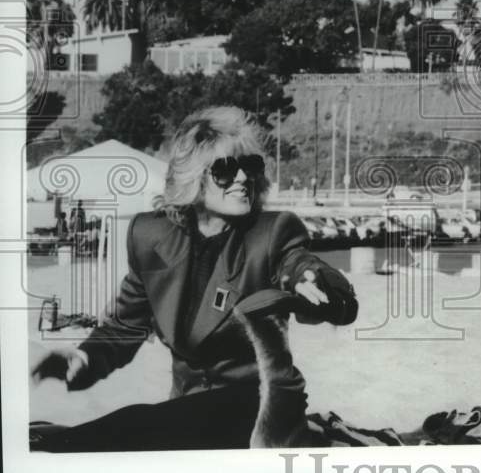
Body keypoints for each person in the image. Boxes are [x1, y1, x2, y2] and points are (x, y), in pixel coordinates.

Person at [30, 106, 359, 451]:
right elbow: (124, 328)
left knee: (137, 424)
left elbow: (299, 264)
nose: (243, 178)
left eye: (250, 167)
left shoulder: (273, 232)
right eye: (225, 170)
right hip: (184, 413)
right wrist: (82, 359)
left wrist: (317, 282)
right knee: (146, 426)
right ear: (193, 177)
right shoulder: (150, 235)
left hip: (259, 408)